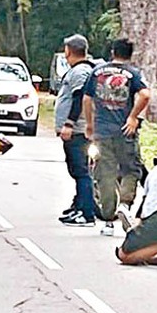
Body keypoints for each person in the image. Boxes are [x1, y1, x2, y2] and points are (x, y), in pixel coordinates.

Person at [83, 39, 151, 236]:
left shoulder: (97, 72)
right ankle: (125, 204)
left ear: (112, 52)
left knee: (105, 174)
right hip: (125, 131)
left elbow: (87, 99)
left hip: (102, 131)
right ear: (130, 54)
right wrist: (132, 117)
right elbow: (145, 95)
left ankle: (108, 220)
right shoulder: (133, 74)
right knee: (131, 169)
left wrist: (89, 124)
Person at [55, 34, 96, 226]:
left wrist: (70, 123)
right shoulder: (78, 70)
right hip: (76, 129)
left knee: (81, 171)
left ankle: (86, 213)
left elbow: (79, 97)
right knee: (77, 170)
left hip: (77, 130)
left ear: (69, 51)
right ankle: (79, 205)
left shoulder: (80, 71)